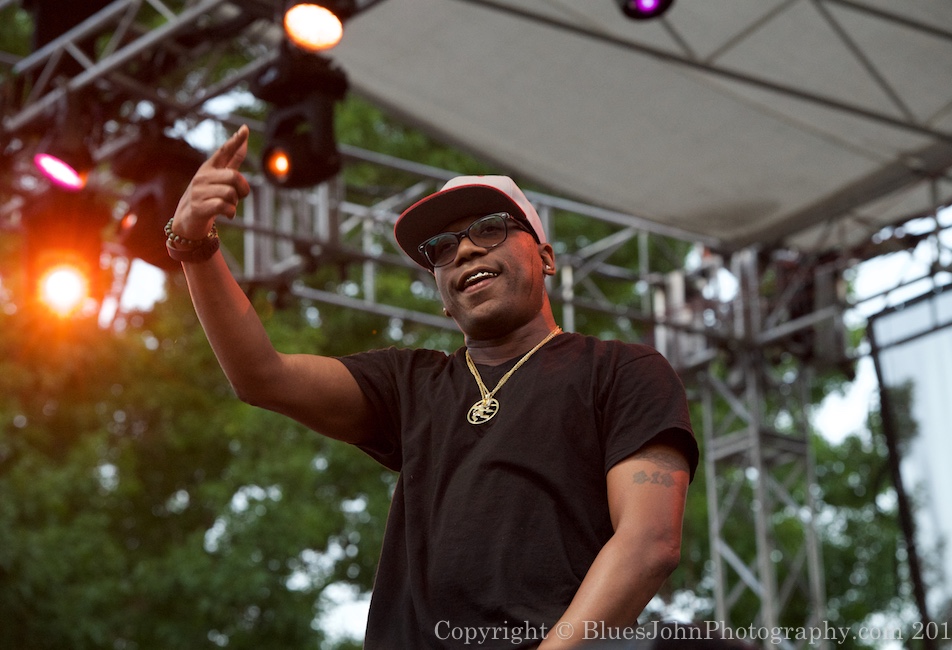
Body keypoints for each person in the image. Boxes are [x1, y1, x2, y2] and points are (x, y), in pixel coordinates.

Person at [168, 124, 699, 649]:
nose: (464, 251)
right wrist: (195, 245)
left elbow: (648, 542)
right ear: (443, 299)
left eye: (489, 229)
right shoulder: (411, 383)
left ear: (546, 257)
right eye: (442, 248)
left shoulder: (621, 370)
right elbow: (262, 376)